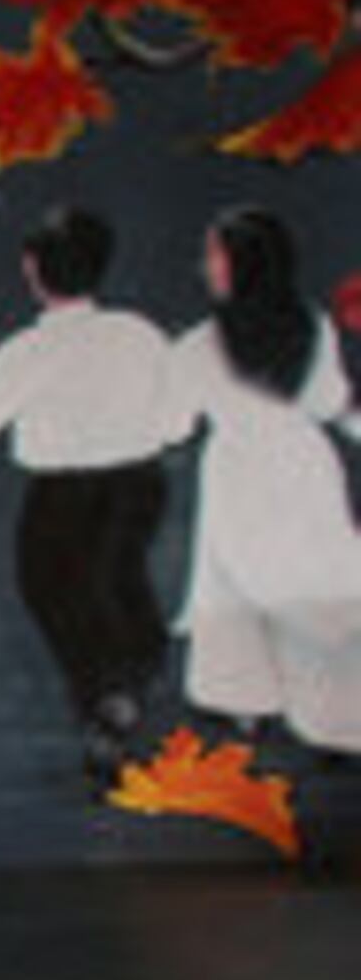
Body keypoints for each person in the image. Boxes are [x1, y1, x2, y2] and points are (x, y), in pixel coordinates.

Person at [0, 208, 184, 783]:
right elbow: (175, 423)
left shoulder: (26, 352)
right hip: (139, 484)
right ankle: (125, 687)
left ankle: (105, 699)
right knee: (119, 581)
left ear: (31, 270)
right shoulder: (140, 335)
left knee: (57, 593)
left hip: (63, 494)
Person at [164, 207, 361, 751]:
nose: (205, 265)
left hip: (240, 470)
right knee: (318, 578)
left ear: (238, 264)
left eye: (214, 254)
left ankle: (244, 701)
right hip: (305, 461)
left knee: (235, 583)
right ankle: (339, 707)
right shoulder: (311, 323)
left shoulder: (197, 344)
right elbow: (326, 400)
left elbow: (173, 424)